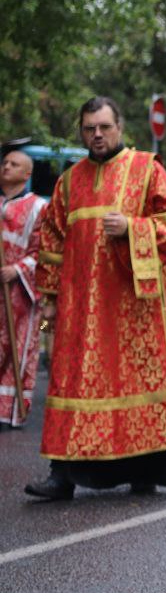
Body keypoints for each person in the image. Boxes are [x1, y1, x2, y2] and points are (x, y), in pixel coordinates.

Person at [26, 97, 166, 499]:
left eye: (104, 127)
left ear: (119, 127)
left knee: (132, 380)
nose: (96, 135)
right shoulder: (69, 181)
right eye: (88, 128)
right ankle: (62, 475)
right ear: (81, 131)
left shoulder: (146, 169)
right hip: (80, 307)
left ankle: (144, 470)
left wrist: (133, 227)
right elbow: (50, 240)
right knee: (73, 384)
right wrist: (48, 295)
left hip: (135, 307)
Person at [0, 151, 45, 430]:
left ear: (26, 174)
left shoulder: (39, 207)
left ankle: (9, 410)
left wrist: (16, 269)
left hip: (19, 291)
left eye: (13, 164)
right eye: (4, 162)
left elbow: (45, 250)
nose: (6, 166)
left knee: (15, 346)